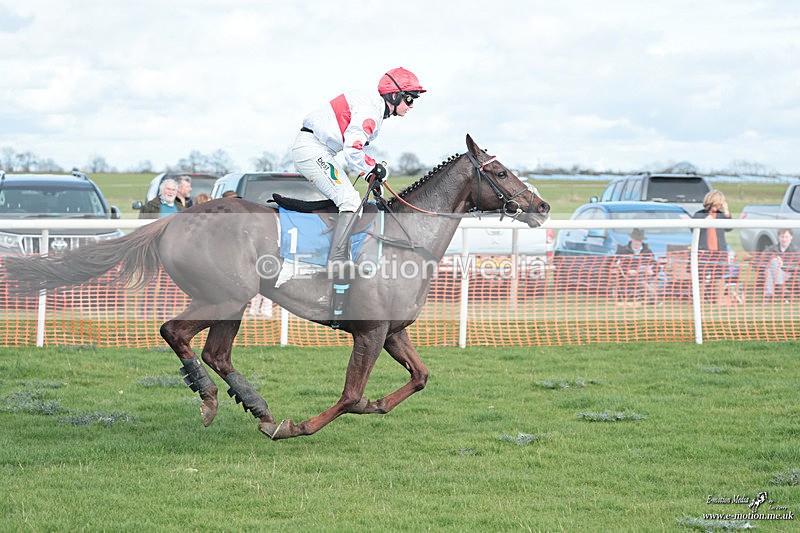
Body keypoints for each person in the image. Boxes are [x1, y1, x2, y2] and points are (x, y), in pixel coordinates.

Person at [291, 67, 426, 324]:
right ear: (395, 96)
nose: (411, 105)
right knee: (350, 200)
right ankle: (336, 261)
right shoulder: (372, 111)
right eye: (410, 98)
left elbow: (353, 154)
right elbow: (353, 149)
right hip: (313, 149)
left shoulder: (373, 107)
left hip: (320, 149)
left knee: (351, 199)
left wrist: (369, 174)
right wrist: (373, 167)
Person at [692, 189, 733, 302]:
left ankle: (718, 302)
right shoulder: (699, 214)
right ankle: (699, 302)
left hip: (719, 251)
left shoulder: (721, 215)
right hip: (703, 251)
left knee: (719, 277)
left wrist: (727, 211)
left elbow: (729, 228)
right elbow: (692, 229)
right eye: (718, 202)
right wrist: (705, 222)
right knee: (701, 278)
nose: (719, 205)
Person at [613, 228, 659, 305]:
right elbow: (617, 264)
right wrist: (627, 270)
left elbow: (655, 264)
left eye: (639, 240)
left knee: (646, 278)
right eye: (635, 240)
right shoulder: (623, 250)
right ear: (631, 239)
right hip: (629, 276)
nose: (637, 242)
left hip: (645, 275)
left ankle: (649, 298)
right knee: (639, 279)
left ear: (642, 241)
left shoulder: (648, 251)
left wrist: (653, 271)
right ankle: (653, 298)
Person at [762, 228, 800, 303]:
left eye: (786, 237)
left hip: (788, 273)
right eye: (782, 237)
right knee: (772, 265)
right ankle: (779, 286)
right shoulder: (771, 249)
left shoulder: (796, 250)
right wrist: (774, 262)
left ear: (791, 237)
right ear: (778, 237)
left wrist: (783, 264)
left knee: (771, 267)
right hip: (773, 272)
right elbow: (761, 260)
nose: (784, 239)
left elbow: (796, 264)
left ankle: (768, 296)